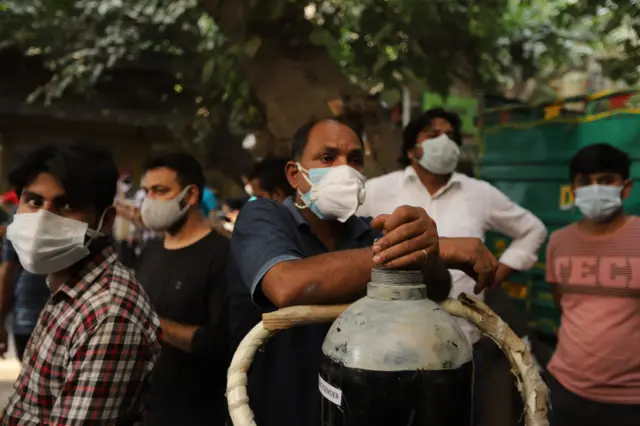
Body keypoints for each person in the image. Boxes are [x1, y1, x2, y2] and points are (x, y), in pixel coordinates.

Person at [228, 117, 499, 426]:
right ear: (294, 175)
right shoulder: (264, 217)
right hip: (273, 413)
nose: (344, 169)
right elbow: (286, 285)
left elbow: (435, 288)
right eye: (328, 158)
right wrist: (443, 248)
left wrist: (429, 252)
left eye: (354, 160)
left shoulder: (371, 233)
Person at [0, 143, 161, 425]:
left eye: (67, 206)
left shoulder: (109, 315)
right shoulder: (67, 289)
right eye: (35, 202)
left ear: (105, 220)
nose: (43, 220)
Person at [358, 108, 547, 346]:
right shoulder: (376, 191)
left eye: (450, 135)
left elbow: (532, 230)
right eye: (433, 134)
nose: (444, 141)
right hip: (390, 336)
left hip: (462, 335)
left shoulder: (479, 193)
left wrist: (499, 272)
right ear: (410, 149)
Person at [545, 143, 640, 426]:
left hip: (631, 399)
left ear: (626, 187)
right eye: (585, 181)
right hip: (565, 388)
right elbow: (563, 304)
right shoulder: (558, 242)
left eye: (606, 180)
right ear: (573, 190)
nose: (595, 188)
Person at [135, 152, 231, 426]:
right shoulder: (152, 250)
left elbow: (221, 342)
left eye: (160, 190)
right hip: (147, 408)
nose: (150, 200)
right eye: (147, 191)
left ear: (190, 196)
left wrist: (151, 322)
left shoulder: (221, 255)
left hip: (195, 412)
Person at [0, 224, 49, 360]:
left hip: (28, 317)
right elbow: (7, 271)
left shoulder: (20, 218)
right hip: (28, 318)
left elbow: (7, 270)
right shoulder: (19, 220)